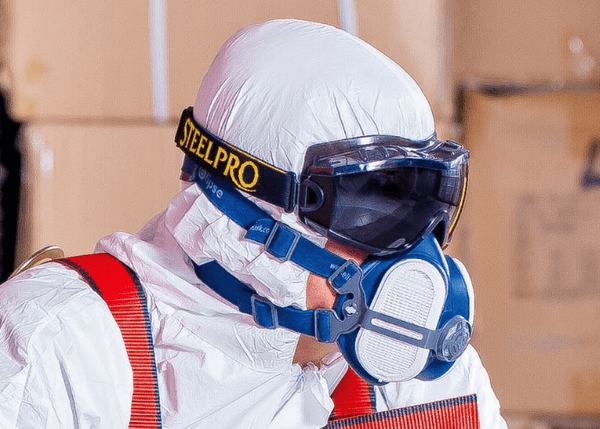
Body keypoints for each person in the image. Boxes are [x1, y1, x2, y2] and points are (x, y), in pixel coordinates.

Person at [0, 19, 507, 429]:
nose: (412, 256)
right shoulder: (59, 348)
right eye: (372, 211)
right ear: (243, 207)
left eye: (423, 211)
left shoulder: (422, 385)